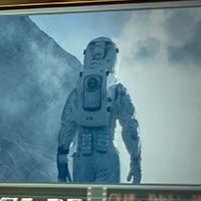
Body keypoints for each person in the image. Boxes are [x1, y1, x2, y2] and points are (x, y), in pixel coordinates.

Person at [56, 36, 142, 185]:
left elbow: (66, 129)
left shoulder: (77, 92)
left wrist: (62, 166)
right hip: (107, 158)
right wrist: (135, 161)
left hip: (81, 160)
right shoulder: (118, 91)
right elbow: (131, 129)